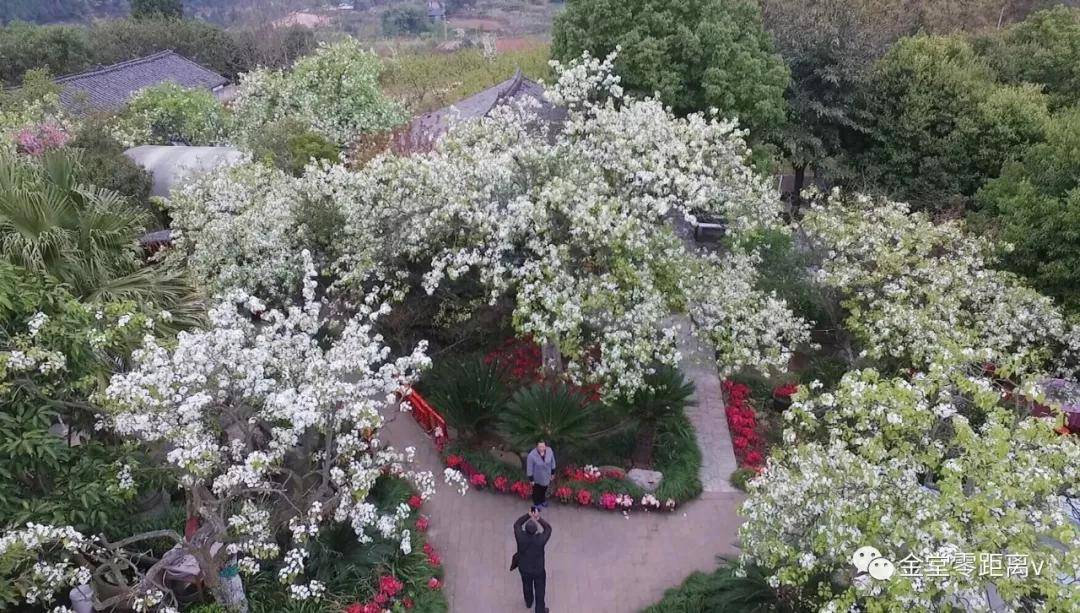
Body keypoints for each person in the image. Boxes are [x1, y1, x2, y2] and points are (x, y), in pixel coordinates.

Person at [514, 506, 551, 613]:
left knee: (526, 584)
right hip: (538, 570)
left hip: (524, 568)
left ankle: (529, 601)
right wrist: (538, 518)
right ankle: (539, 610)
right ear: (535, 531)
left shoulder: (520, 536)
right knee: (540, 590)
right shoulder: (540, 539)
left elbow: (517, 524)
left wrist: (528, 515)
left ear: (525, 530)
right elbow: (548, 529)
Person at [526, 441, 556, 507]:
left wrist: (552, 473)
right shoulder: (531, 455)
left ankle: (542, 500)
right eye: (540, 446)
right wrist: (531, 480)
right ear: (537, 446)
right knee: (536, 491)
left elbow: (553, 462)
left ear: (545, 446)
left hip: (546, 476)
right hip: (537, 478)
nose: (541, 448)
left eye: (543, 446)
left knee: (544, 489)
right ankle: (536, 503)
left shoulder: (549, 451)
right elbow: (529, 468)